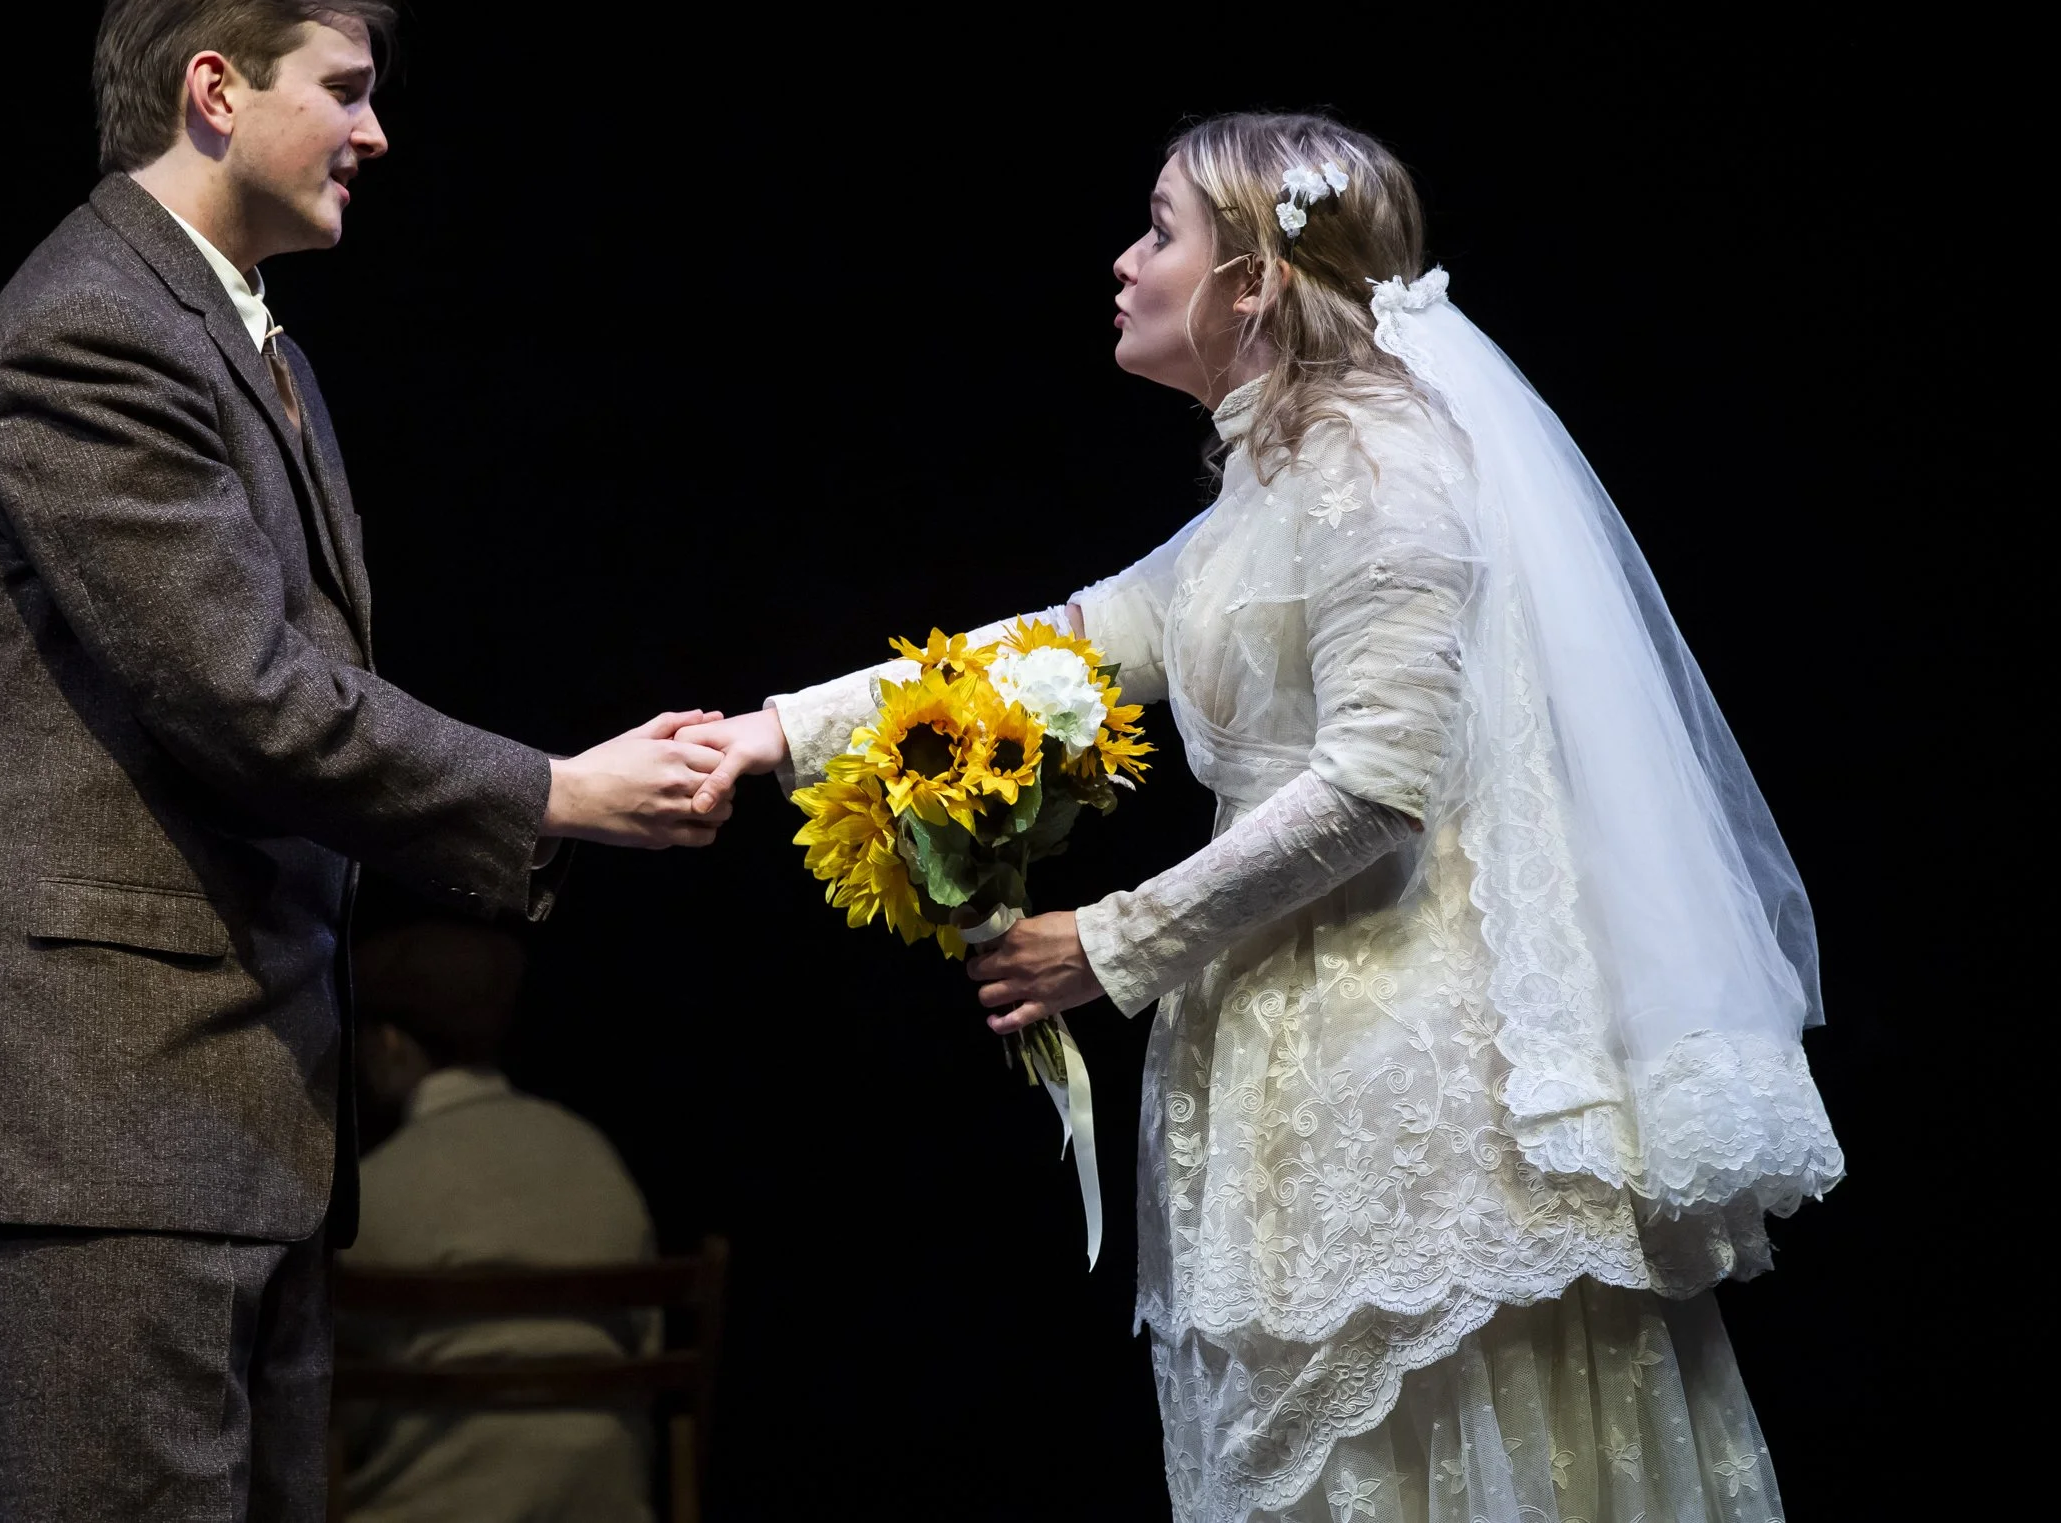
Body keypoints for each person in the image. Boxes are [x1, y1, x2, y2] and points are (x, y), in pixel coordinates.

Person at [685, 111, 1843, 1520]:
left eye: (1159, 229)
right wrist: (774, 731)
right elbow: (1076, 637)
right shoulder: (1278, 477)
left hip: (1410, 1075)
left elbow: (1374, 788)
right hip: (1289, 1044)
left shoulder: (1385, 473)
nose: (1123, 261)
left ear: (1254, 284)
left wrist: (1108, 941)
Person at [0, 0, 728, 1522]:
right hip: (99, 1131)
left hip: (228, 1114)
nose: (376, 132)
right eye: (344, 89)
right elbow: (247, 694)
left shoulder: (251, 340)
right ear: (215, 90)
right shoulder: (91, 331)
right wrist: (555, 792)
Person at [338, 918, 657, 1523]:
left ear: (389, 1044)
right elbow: (645, 1346)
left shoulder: (376, 1191)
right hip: (605, 1502)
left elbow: (343, 1407)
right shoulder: (594, 1157)